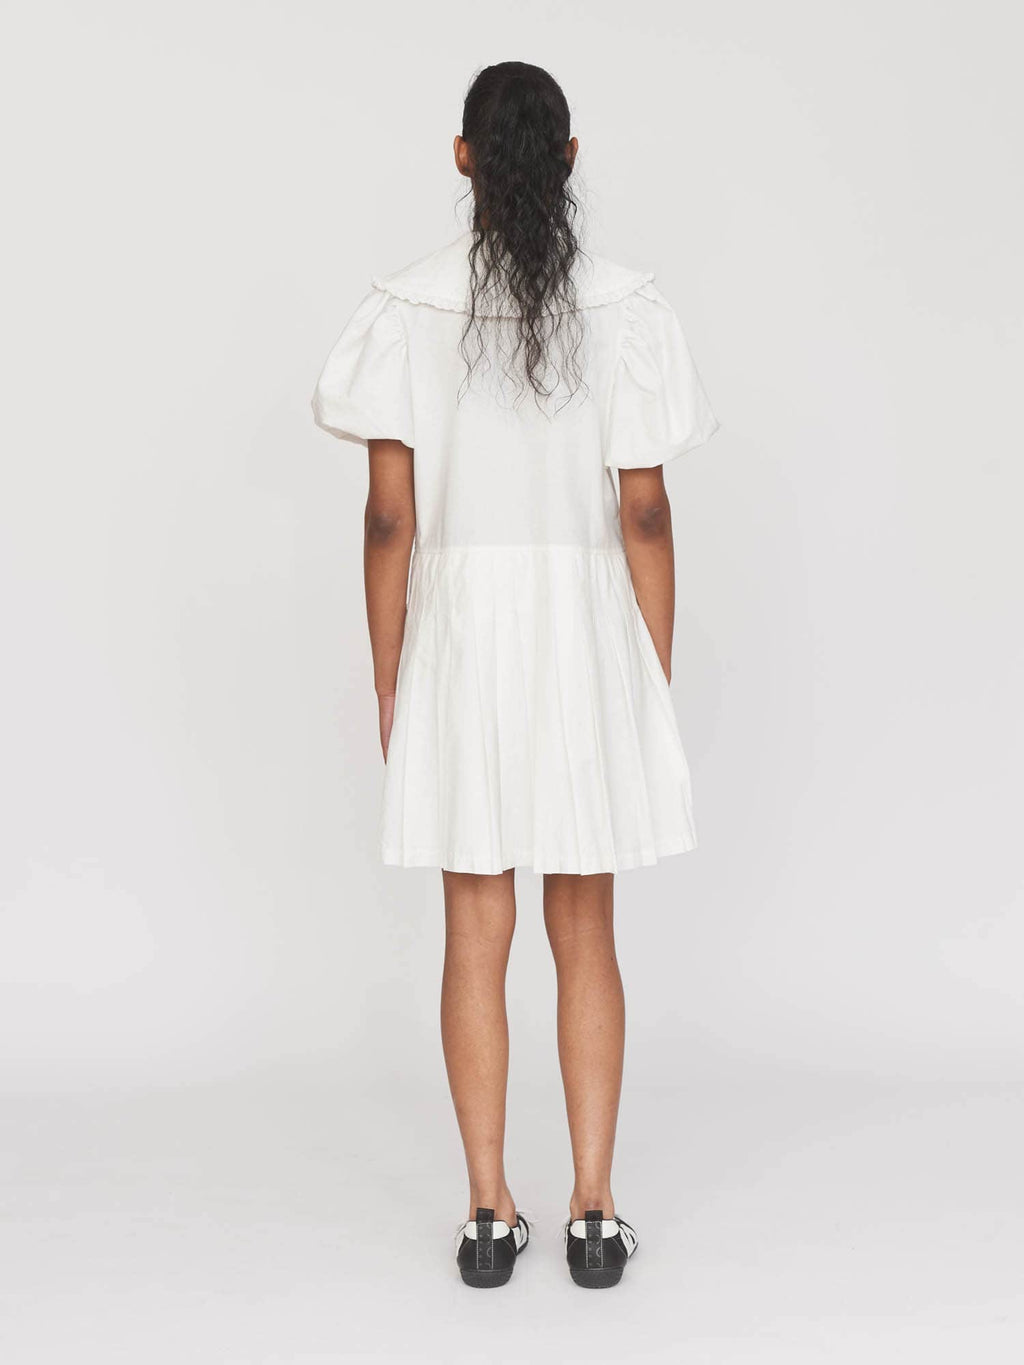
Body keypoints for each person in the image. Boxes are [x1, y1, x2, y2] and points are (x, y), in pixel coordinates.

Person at [312, 61, 718, 1289]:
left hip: (461, 633)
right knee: (584, 925)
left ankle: (488, 1214)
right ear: (571, 157)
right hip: (584, 627)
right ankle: (593, 1212)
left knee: (473, 926)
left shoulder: (406, 307)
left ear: (462, 158)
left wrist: (388, 669)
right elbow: (643, 511)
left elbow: (391, 518)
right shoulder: (628, 308)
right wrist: (647, 662)